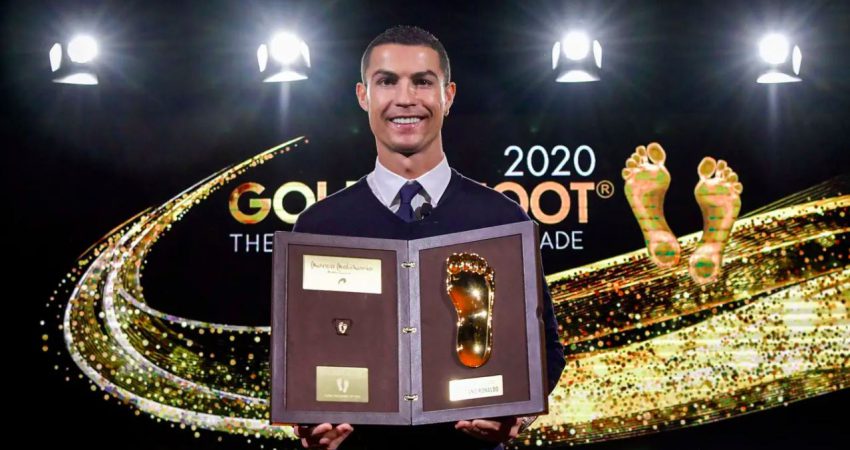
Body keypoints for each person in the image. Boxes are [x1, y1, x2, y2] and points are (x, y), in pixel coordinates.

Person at [291, 25, 565, 450]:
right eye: (387, 81)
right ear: (364, 96)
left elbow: (547, 354)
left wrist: (517, 417)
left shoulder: (501, 219)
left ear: (448, 96)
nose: (405, 98)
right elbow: (298, 359)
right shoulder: (319, 226)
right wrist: (308, 425)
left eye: (422, 81)